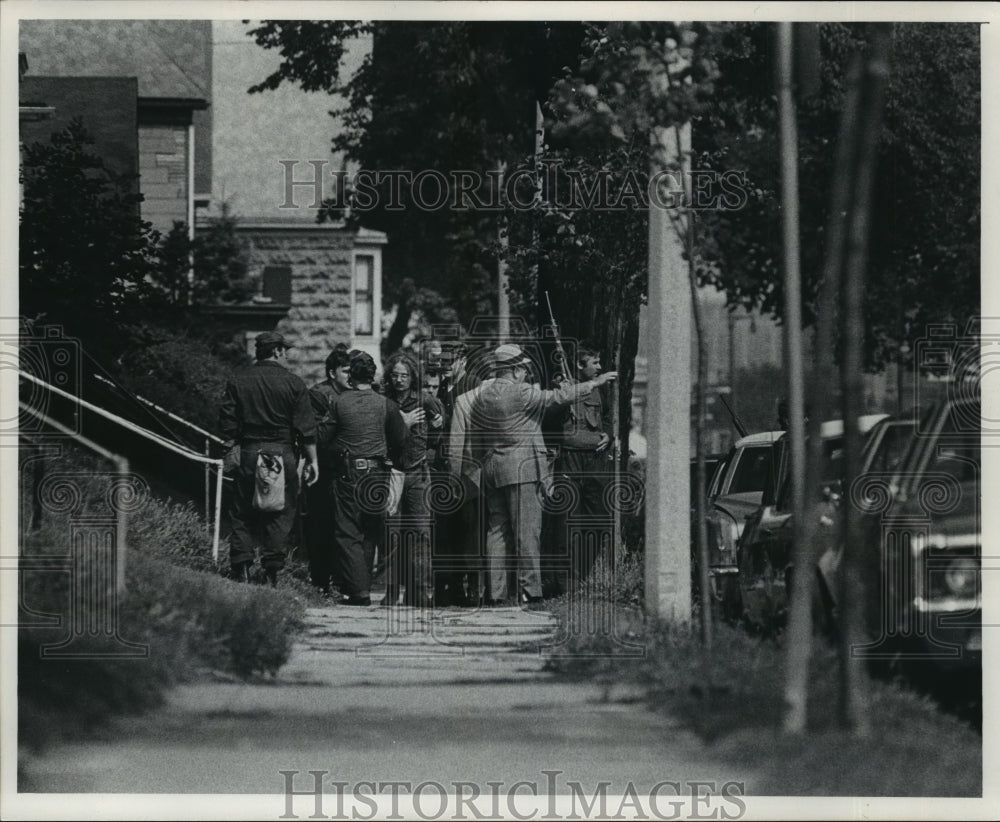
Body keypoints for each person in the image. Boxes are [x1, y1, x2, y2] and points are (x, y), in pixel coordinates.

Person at [449, 343, 617, 605]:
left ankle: (496, 593)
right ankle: (530, 589)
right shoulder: (521, 392)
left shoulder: (483, 396)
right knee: (527, 531)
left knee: (497, 530)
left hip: (492, 468)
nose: (526, 373)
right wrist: (594, 384)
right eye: (524, 369)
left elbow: (478, 438)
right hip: (522, 468)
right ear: (515, 370)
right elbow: (556, 399)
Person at [218, 331, 319, 586]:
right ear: (276, 351)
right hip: (282, 452)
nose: (285, 354)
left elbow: (227, 421)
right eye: (284, 350)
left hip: (249, 450)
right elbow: (306, 429)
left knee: (242, 511)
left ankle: (241, 567)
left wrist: (232, 445)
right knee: (280, 512)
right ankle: (272, 571)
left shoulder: (239, 380)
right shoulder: (294, 383)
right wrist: (313, 461)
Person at [324, 351, 408, 606]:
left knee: (349, 531)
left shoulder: (338, 402)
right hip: (378, 473)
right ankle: (363, 586)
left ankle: (359, 591)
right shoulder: (387, 405)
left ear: (351, 376)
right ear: (373, 376)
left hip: (349, 472)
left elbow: (323, 437)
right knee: (371, 531)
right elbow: (401, 440)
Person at [544, 347, 615, 591]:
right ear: (578, 365)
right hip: (569, 459)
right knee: (566, 523)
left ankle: (582, 575)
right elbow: (550, 420)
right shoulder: (562, 388)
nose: (599, 367)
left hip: (594, 461)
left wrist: (609, 434)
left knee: (598, 520)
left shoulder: (600, 389)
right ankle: (566, 582)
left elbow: (607, 417)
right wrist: (564, 394)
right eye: (594, 362)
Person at [381, 352, 445, 606]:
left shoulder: (424, 400)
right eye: (395, 375)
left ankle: (419, 592)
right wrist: (401, 423)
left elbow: (436, 436)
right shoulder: (384, 402)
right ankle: (391, 591)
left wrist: (437, 428)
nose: (399, 380)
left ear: (412, 377)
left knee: (420, 533)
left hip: (418, 472)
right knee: (393, 535)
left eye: (404, 375)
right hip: (391, 473)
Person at [306, 345, 352, 597]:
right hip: (324, 468)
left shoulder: (357, 394)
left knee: (346, 527)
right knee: (322, 523)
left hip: (348, 469)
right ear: (332, 373)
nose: (350, 376)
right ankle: (321, 578)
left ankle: (341, 579)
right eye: (346, 371)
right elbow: (313, 433)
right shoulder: (318, 394)